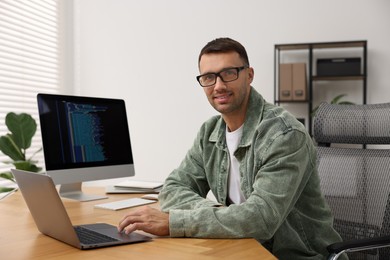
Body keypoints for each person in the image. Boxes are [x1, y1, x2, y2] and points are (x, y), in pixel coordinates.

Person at [118, 37, 345, 259]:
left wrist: (175, 222)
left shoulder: (284, 135)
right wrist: (224, 215)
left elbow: (261, 220)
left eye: (228, 73)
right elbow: (173, 188)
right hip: (240, 248)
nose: (218, 86)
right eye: (209, 77)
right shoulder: (209, 132)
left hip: (299, 255)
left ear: (249, 75)